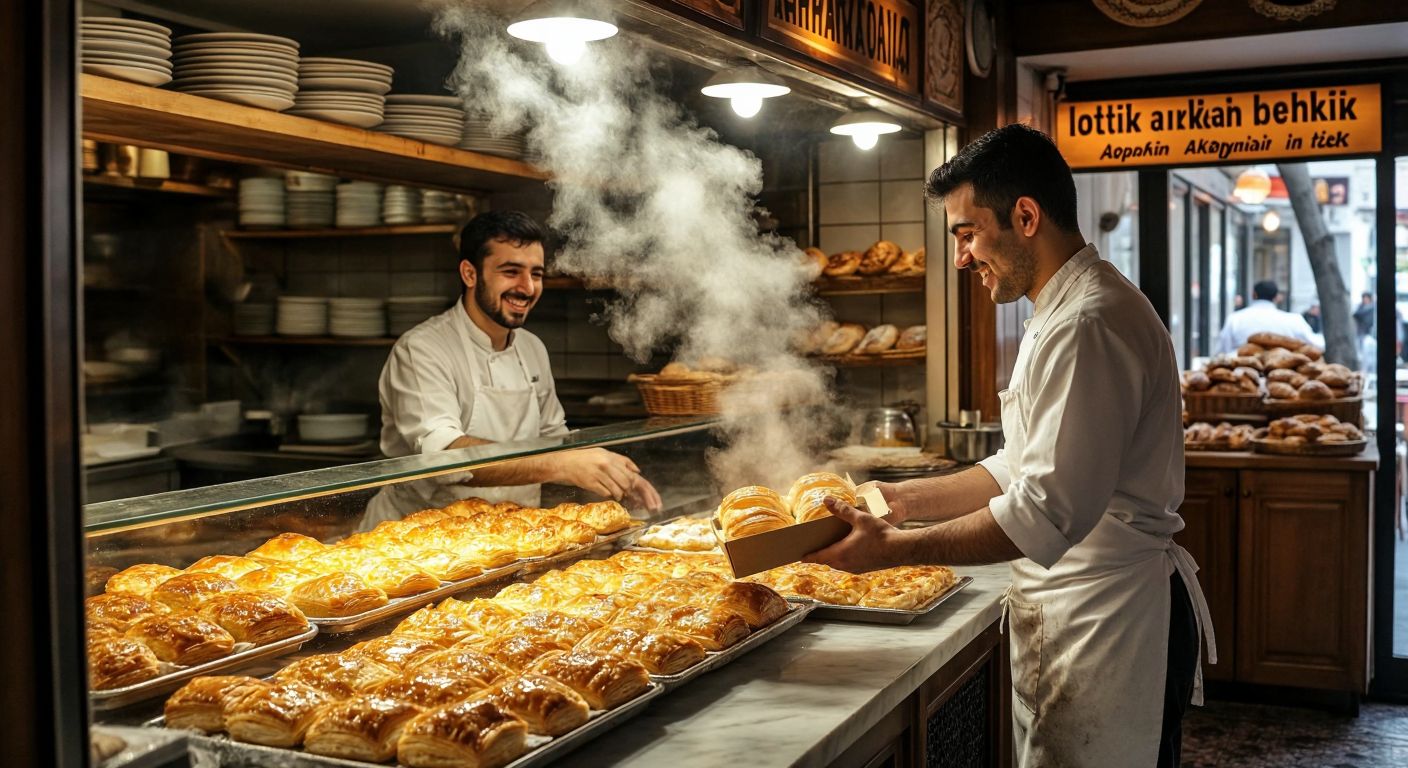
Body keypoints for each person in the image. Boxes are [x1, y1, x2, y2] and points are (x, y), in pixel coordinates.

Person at [803, 124, 1212, 768]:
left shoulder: (1088, 321)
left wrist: (891, 551)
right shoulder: (1059, 307)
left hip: (1107, 628)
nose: (961, 258)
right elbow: (1020, 466)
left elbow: (1043, 512)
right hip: (1078, 615)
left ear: (1025, 216)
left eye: (967, 233)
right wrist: (900, 500)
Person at [363, 210, 661, 526]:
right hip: (419, 539)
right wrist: (561, 464)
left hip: (513, 534)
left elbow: (552, 438)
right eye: (511, 271)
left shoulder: (531, 348)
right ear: (469, 274)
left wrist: (610, 471)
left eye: (536, 274)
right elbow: (446, 455)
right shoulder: (422, 349)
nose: (527, 287)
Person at [1214, 280, 1316, 354]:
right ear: (1276, 297)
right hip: (1285, 377)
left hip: (1239, 373)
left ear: (1253, 295)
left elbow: (1223, 349)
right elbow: (1313, 344)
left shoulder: (1235, 319)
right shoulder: (1293, 320)